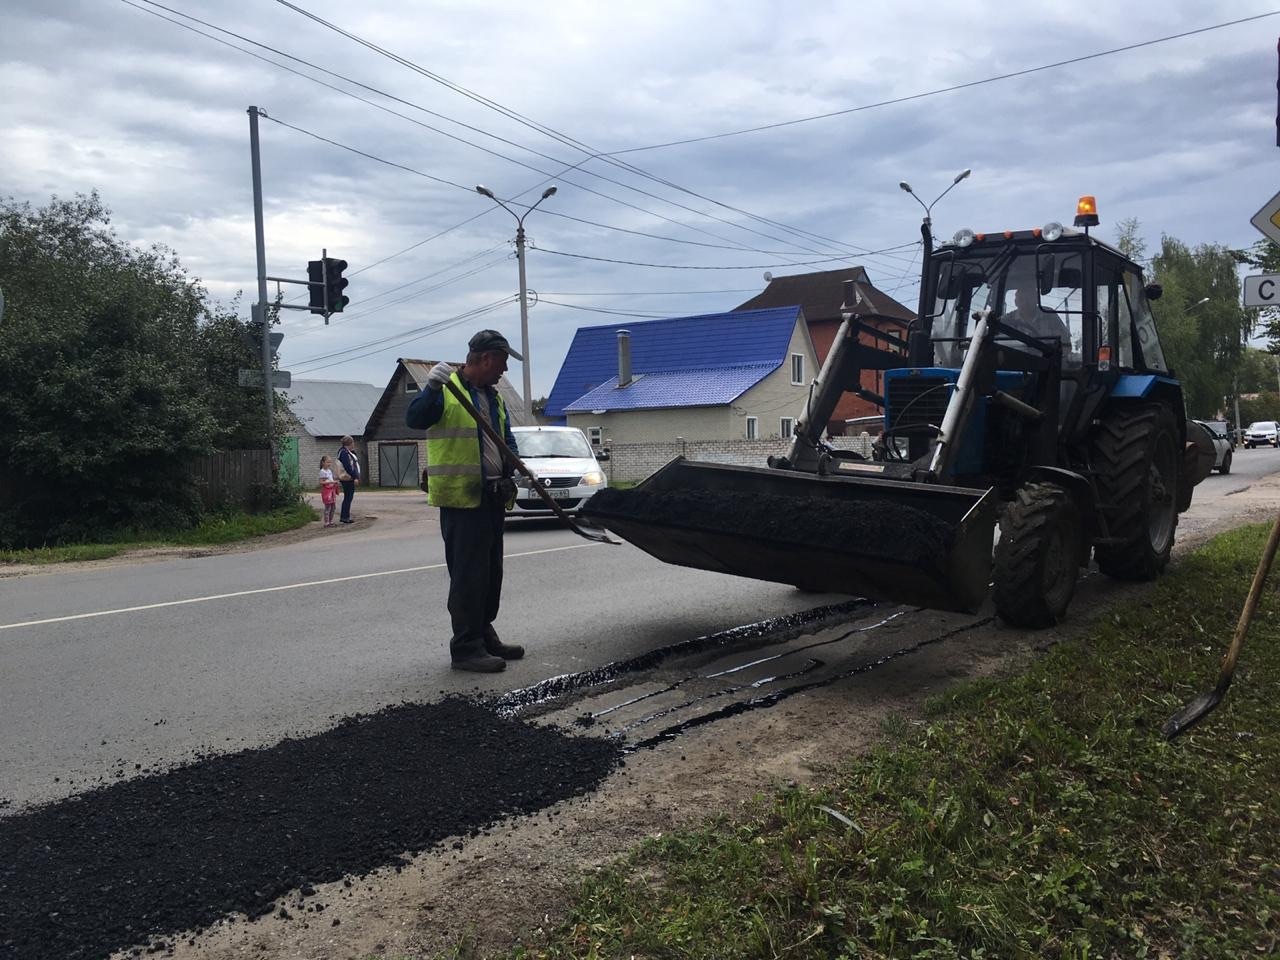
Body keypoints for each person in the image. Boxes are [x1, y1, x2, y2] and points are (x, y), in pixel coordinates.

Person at [406, 330, 524, 673]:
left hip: (492, 497)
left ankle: (483, 633)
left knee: (491, 574)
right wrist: (430, 388)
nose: (504, 371)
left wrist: (513, 469)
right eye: (501, 363)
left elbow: (506, 439)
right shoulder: (447, 390)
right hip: (461, 499)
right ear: (485, 359)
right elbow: (415, 419)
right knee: (469, 576)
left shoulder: (494, 397)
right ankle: (465, 647)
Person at [1006, 284, 1071, 351]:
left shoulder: (1049, 315)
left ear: (1036, 300)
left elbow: (1066, 345)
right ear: (1016, 302)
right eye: (1021, 299)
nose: (1026, 303)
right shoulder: (1007, 320)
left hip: (1046, 360)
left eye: (1029, 299)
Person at [336, 435, 361, 524]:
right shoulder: (344, 453)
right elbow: (348, 466)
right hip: (347, 478)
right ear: (349, 443)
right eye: (352, 442)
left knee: (348, 497)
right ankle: (344, 517)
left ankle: (345, 516)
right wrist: (355, 476)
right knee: (348, 497)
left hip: (348, 477)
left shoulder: (347, 452)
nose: (354, 444)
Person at [318, 456, 339, 527]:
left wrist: (334, 482)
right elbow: (321, 482)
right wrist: (331, 482)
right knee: (328, 507)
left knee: (333, 506)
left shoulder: (329, 471)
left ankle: (331, 521)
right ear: (323, 462)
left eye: (330, 462)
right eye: (327, 462)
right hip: (326, 491)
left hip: (332, 490)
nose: (329, 463)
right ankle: (326, 523)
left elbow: (330, 479)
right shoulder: (322, 471)